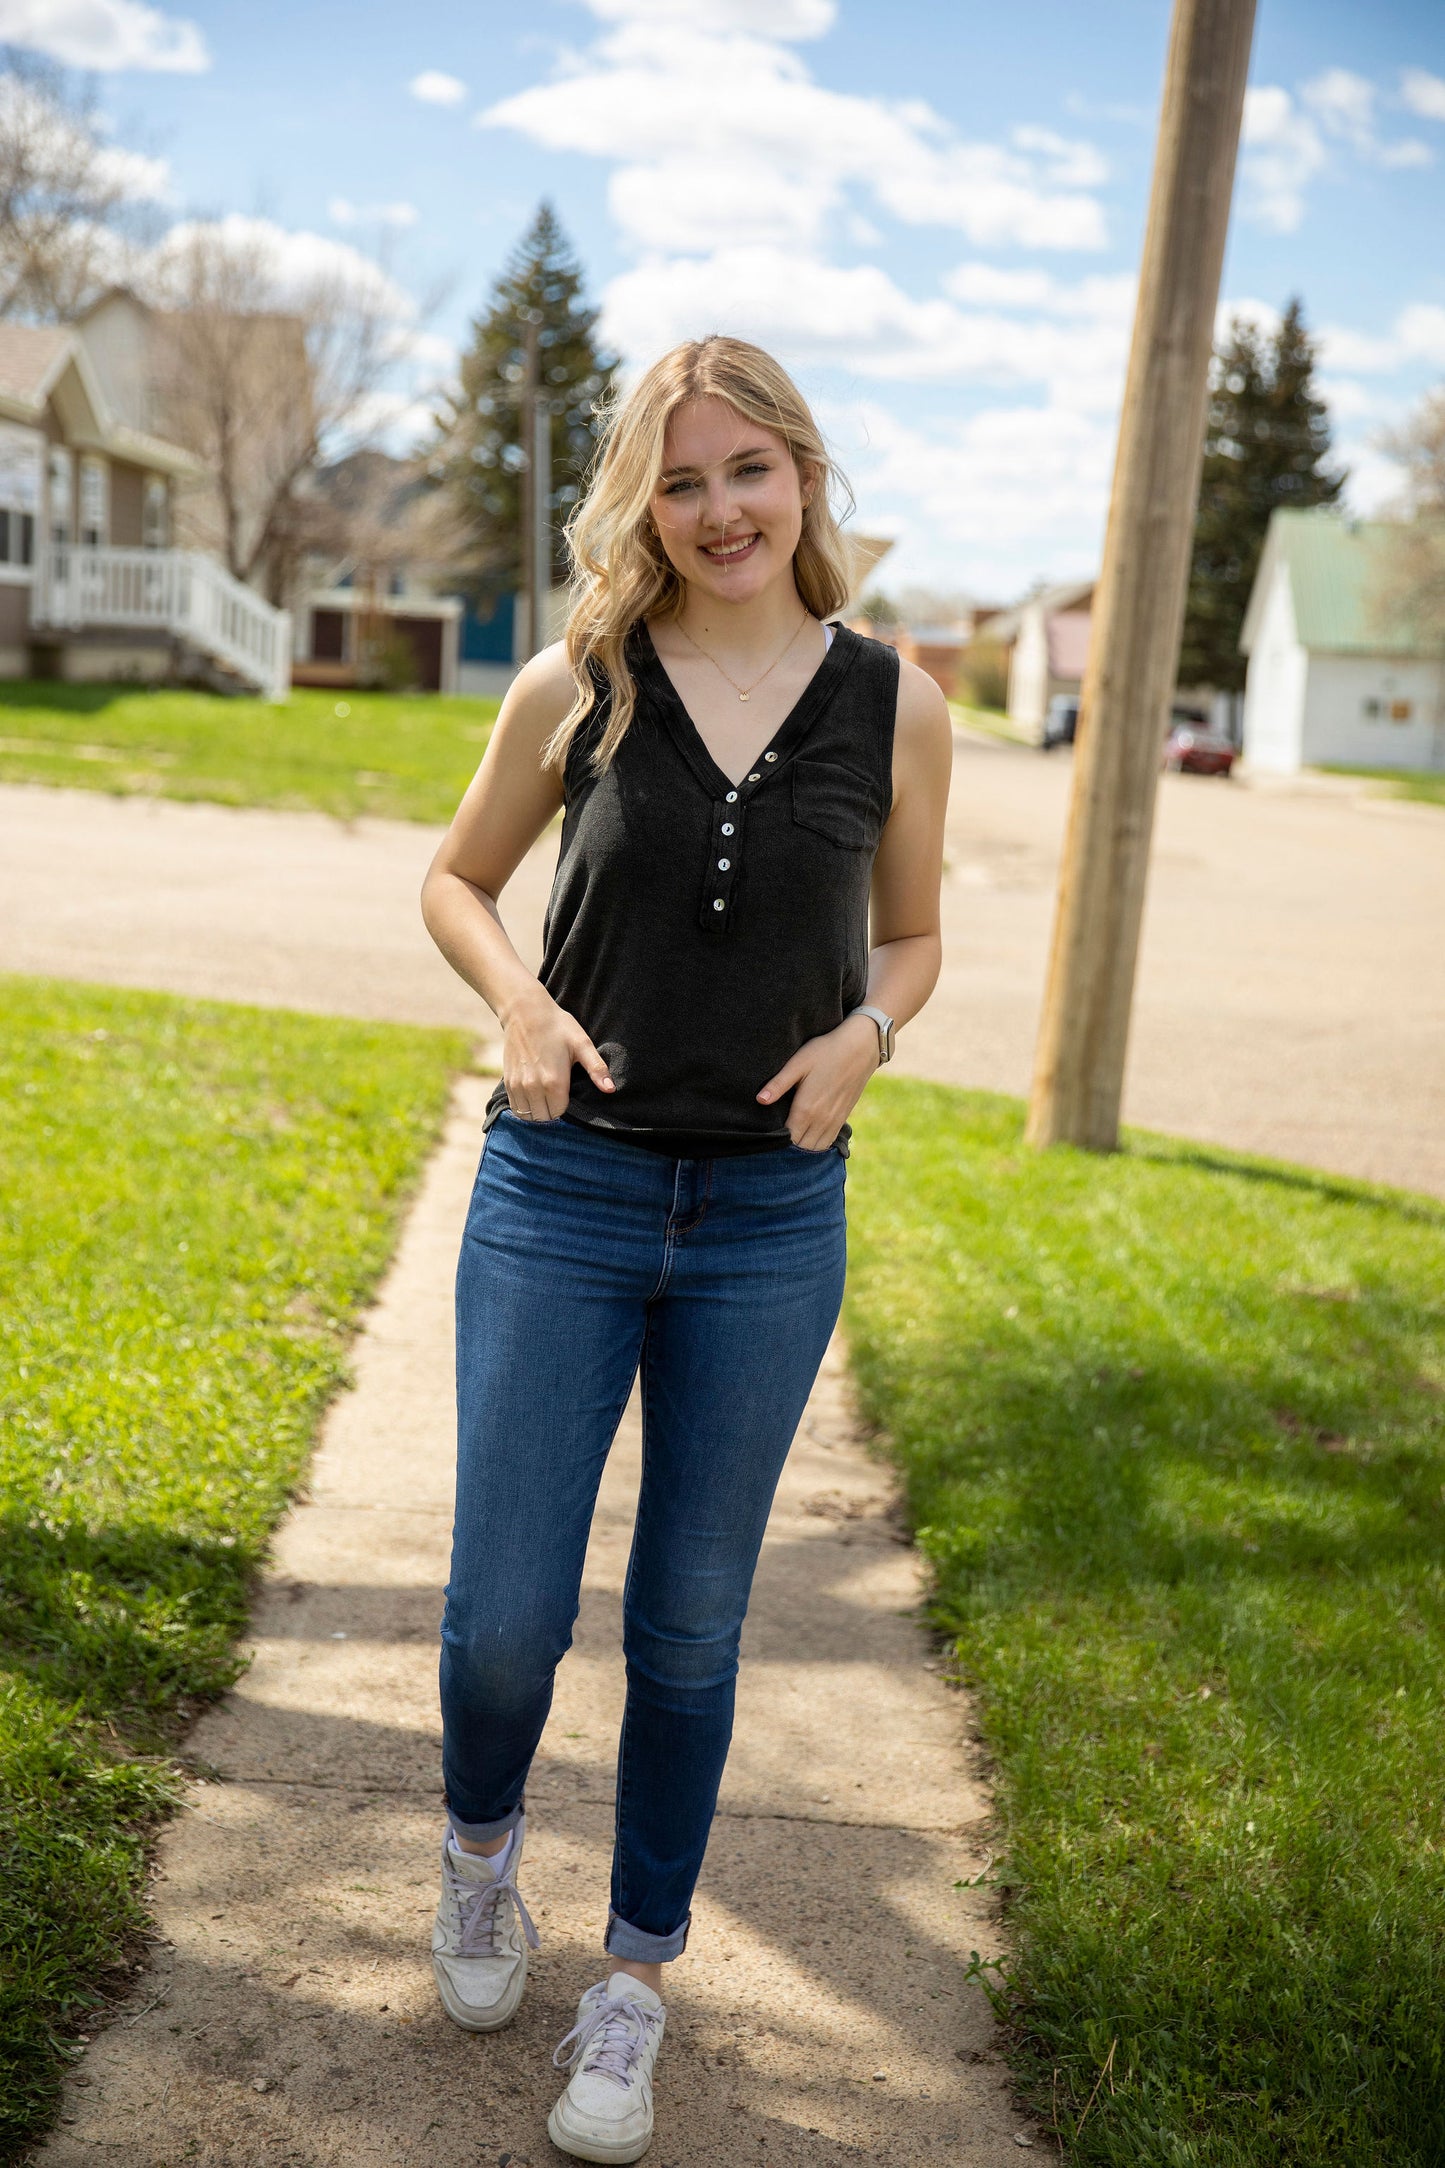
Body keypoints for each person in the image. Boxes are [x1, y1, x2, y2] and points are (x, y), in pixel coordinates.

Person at [420, 334, 950, 2163]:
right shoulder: (584, 680)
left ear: (804, 474)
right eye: (679, 476)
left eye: (748, 468)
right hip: (561, 1190)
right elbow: (454, 880)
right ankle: (480, 1856)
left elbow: (911, 944)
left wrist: (869, 1037)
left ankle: (634, 1979)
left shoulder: (900, 701)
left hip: (767, 1219)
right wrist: (515, 1007)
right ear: (641, 501)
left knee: (691, 1627)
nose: (718, 509)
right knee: (503, 1622)